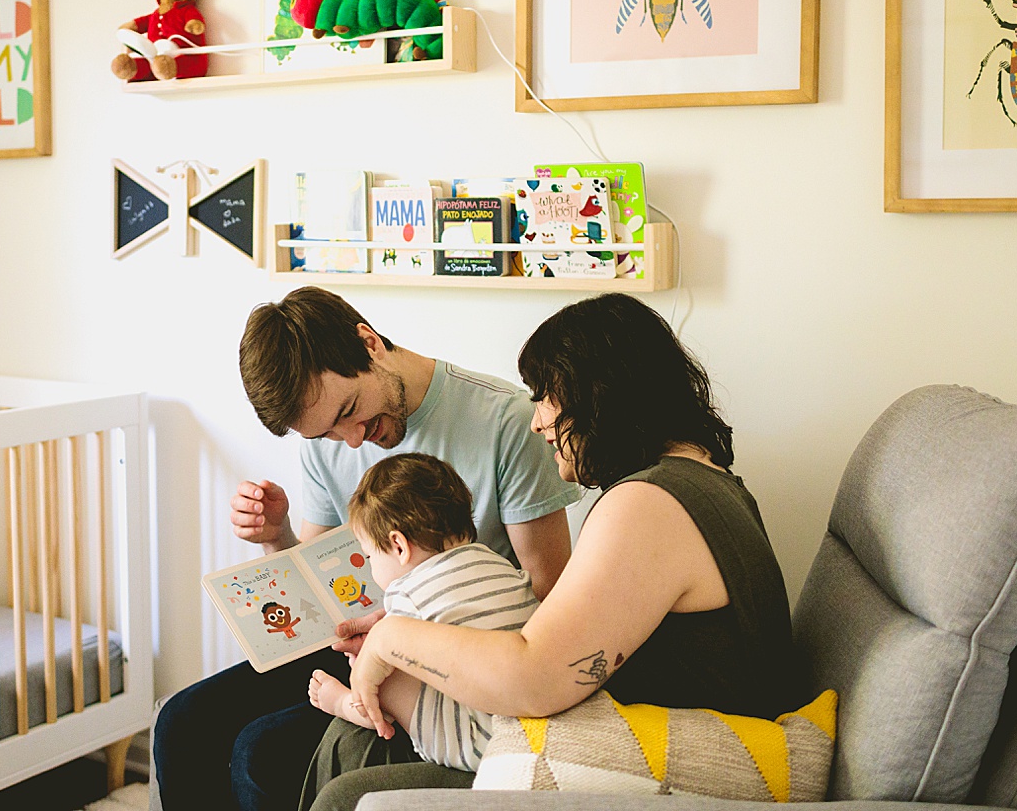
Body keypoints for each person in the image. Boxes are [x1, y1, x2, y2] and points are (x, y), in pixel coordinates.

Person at [305, 292, 804, 811]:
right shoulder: (705, 481)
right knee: (356, 742)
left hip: (656, 774)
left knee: (349, 790)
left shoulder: (647, 505)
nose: (537, 422)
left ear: (600, 398)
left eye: (545, 396)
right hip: (649, 749)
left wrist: (392, 638)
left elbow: (532, 679)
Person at [149, 286, 580, 811]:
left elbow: (549, 592)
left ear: (369, 343)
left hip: (449, 668)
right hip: (352, 644)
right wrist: (275, 537)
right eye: (328, 434)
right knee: (181, 723)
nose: (353, 441)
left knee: (260, 752)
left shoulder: (505, 420)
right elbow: (316, 586)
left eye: (351, 411)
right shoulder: (330, 442)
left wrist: (401, 638)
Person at [307, 452, 537, 775]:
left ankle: (346, 705)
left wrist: (365, 668)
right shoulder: (497, 563)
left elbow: (395, 652)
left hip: (478, 743)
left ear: (399, 547)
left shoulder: (408, 593)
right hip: (531, 722)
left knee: (381, 675)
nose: (371, 567)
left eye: (369, 555)